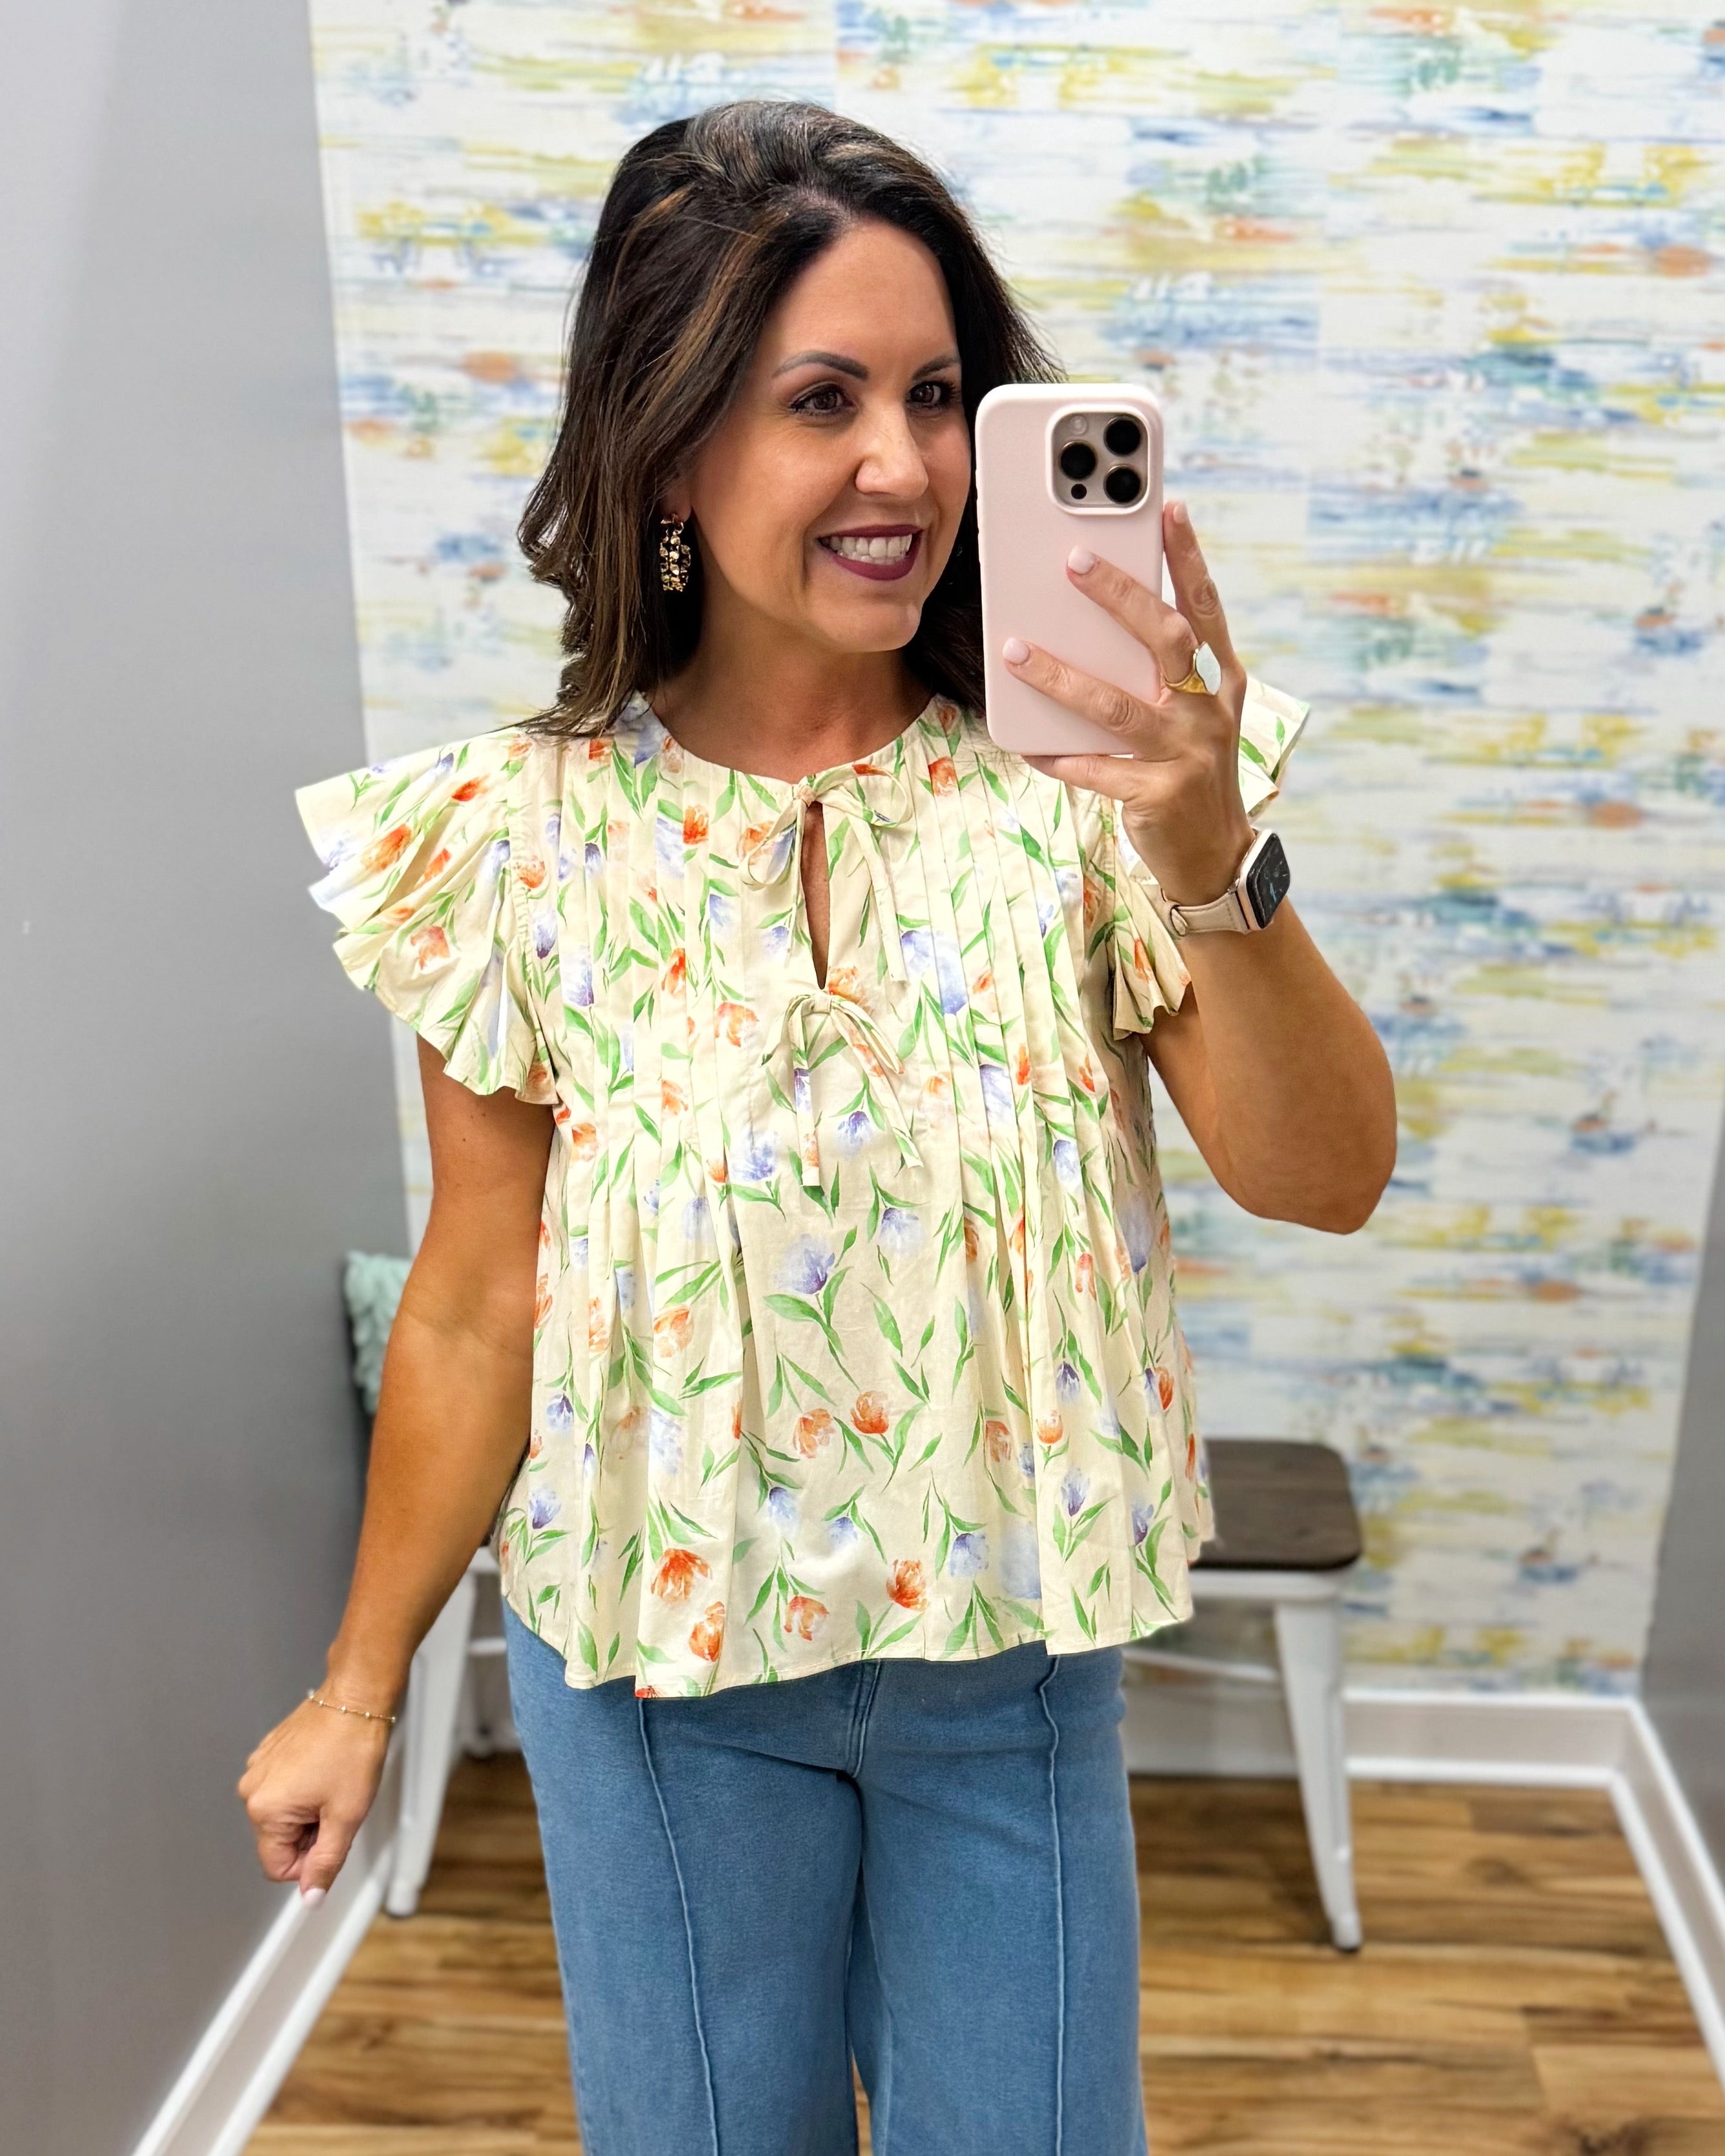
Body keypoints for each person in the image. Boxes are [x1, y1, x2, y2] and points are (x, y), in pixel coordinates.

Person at [240, 99, 1394, 2156]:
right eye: (824, 399)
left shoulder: (1103, 796)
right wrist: (357, 1680)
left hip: (1006, 1677)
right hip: (658, 1701)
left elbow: (1326, 1176)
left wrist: (1214, 849)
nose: (909, 464)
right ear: (671, 442)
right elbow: (480, 1299)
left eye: (942, 394)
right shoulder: (517, 837)